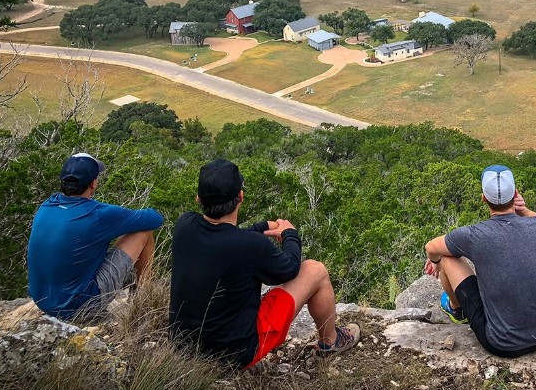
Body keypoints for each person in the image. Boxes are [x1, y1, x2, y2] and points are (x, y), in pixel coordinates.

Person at [168, 159, 358, 369]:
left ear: (198, 198)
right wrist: (290, 235)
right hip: (234, 355)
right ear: (240, 196)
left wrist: (260, 227)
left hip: (183, 346)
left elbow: (225, 238)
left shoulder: (185, 224)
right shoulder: (251, 247)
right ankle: (330, 342)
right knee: (316, 270)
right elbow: (290, 268)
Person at [424, 164, 536, 358]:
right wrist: (523, 210)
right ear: (515, 195)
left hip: (502, 343)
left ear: (484, 198)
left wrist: (434, 261)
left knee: (446, 256)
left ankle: (456, 309)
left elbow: (431, 247)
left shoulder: (475, 235)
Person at [27, 152, 162, 320]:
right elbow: (155, 218)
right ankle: (145, 296)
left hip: (42, 301)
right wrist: (121, 219)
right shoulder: (96, 214)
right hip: (79, 308)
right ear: (93, 183)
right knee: (143, 230)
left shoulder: (46, 206)